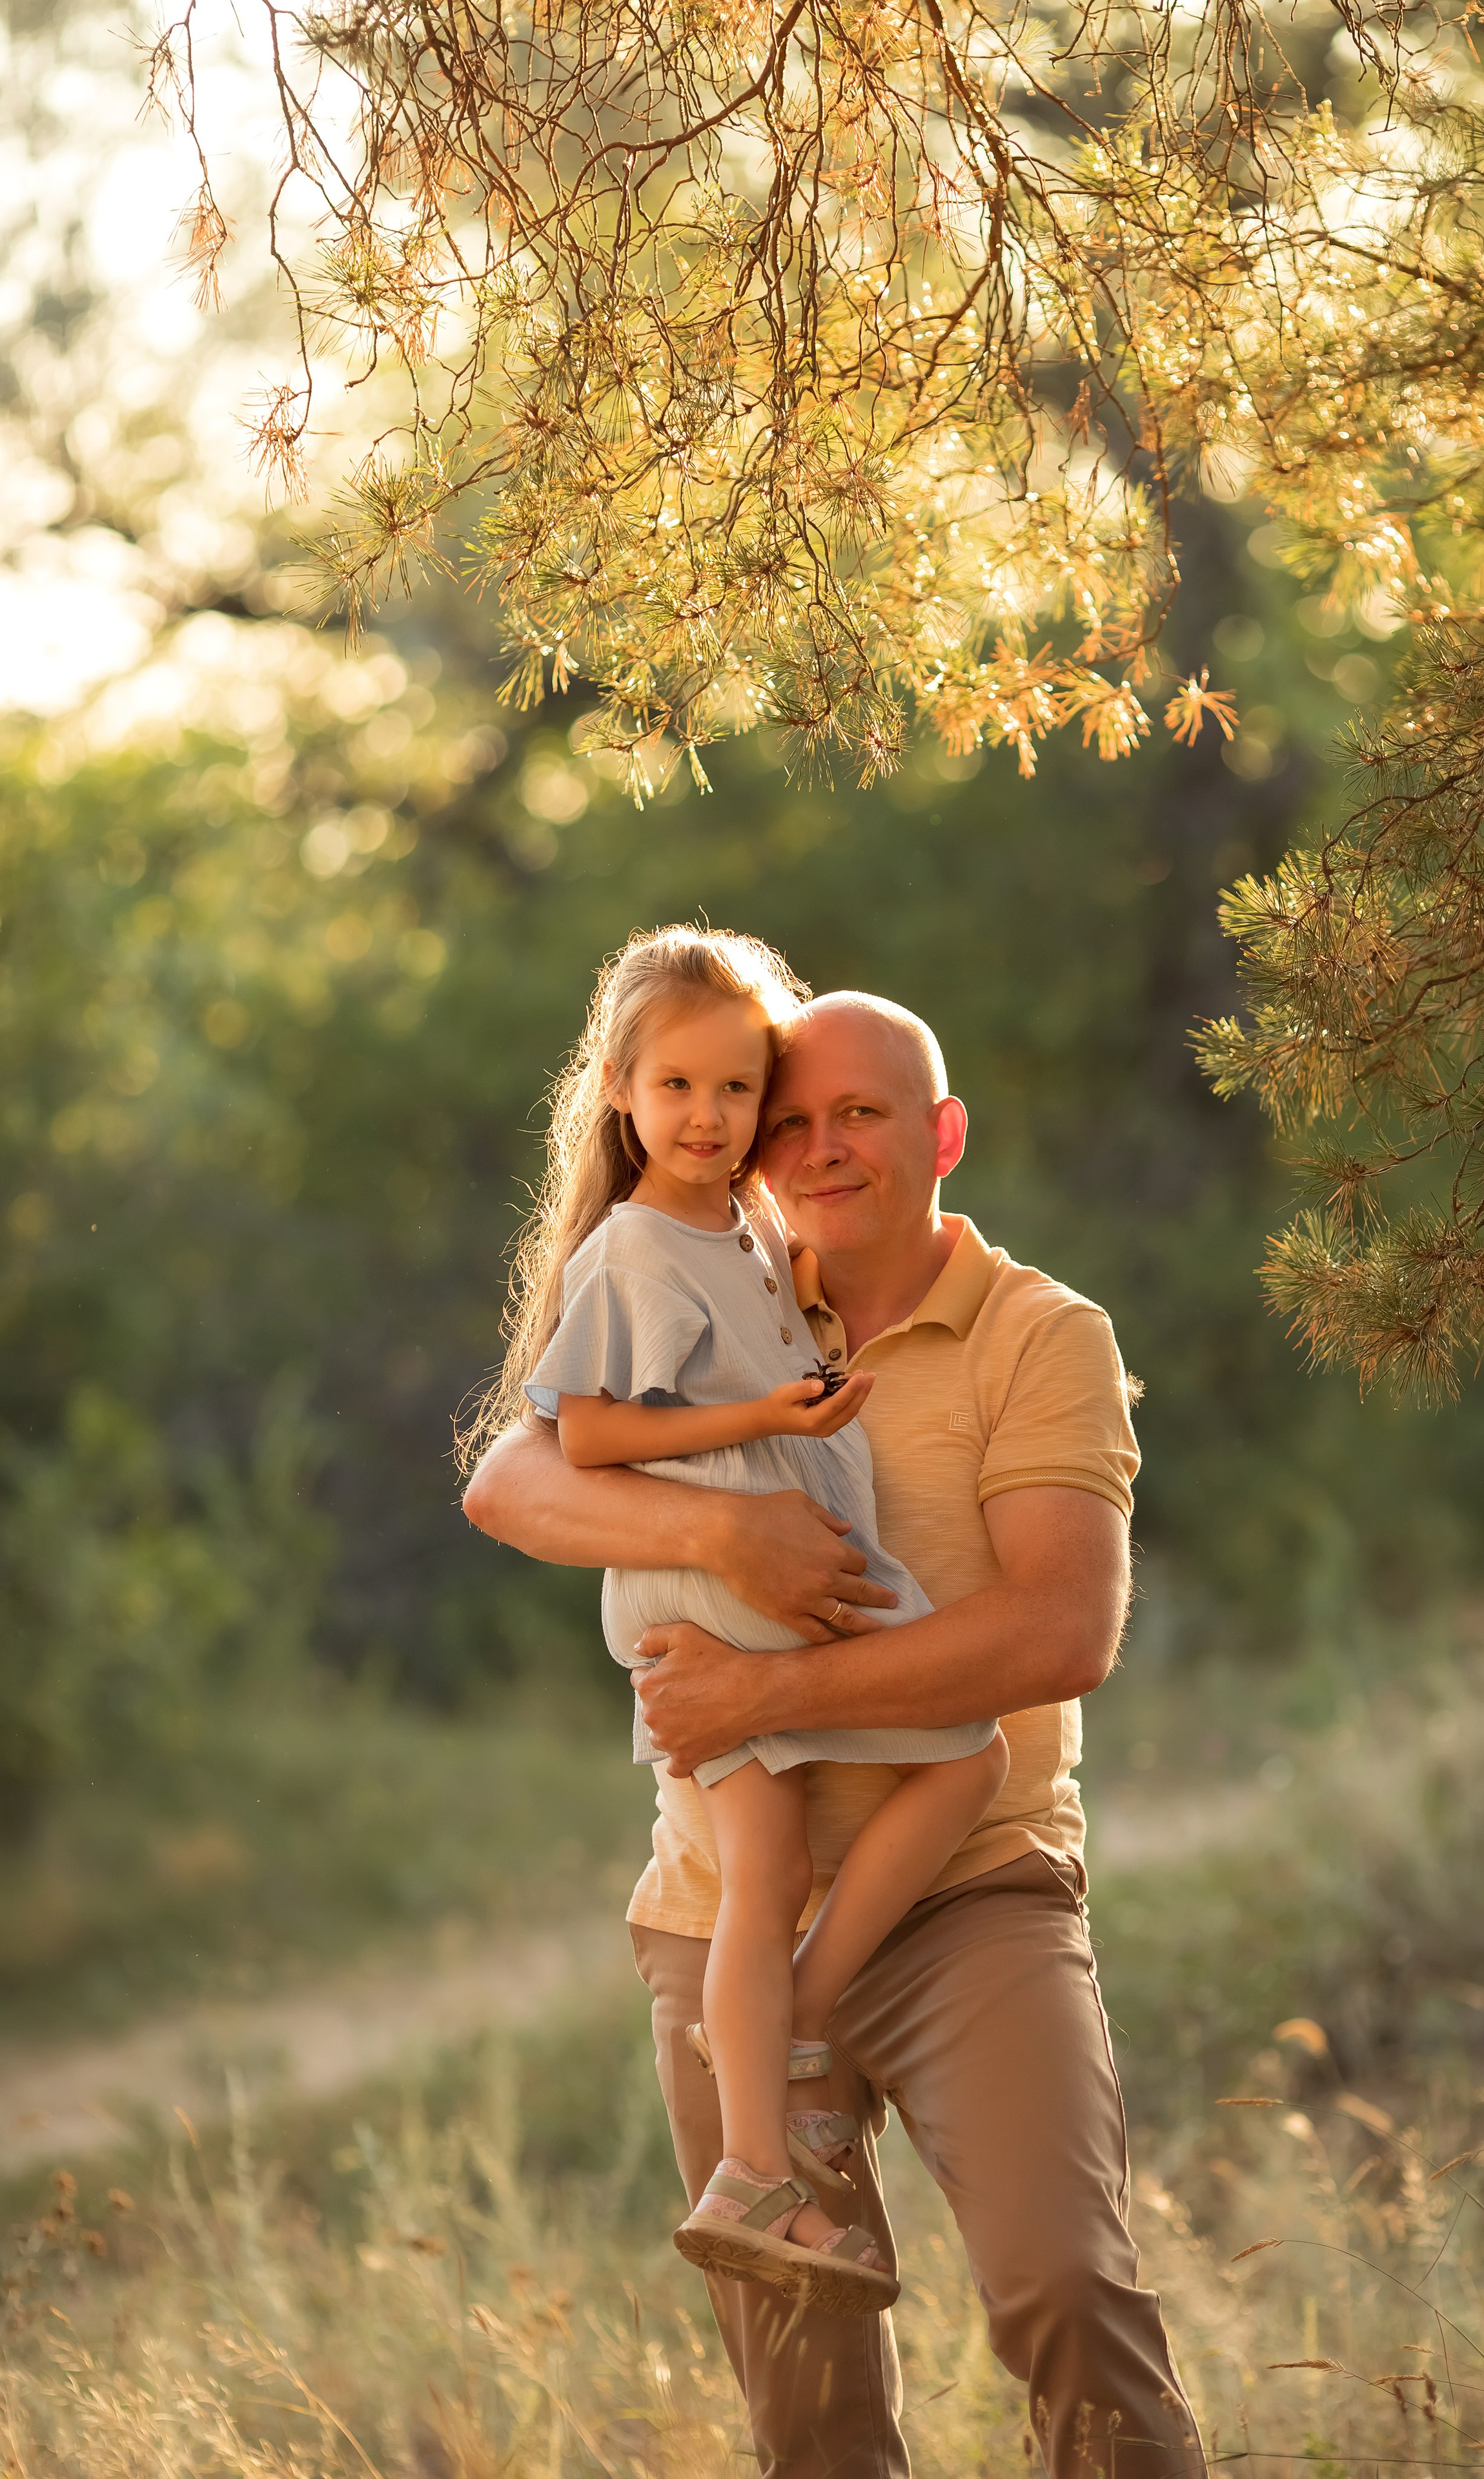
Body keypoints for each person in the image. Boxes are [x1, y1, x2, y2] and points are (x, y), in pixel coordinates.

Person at [463, 978, 1208, 2479]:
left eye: (857, 1114)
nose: (815, 1148)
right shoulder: (718, 1283)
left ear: (939, 1133)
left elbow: (1062, 1632)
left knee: (1068, 2295)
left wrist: (770, 1690)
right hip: (721, 1905)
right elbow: (510, 1484)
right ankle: (777, 2046)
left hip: (967, 1901)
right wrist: (725, 1542)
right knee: (808, 2412)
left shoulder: (1036, 1334)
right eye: (786, 1119)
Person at [469, 924, 1009, 2318]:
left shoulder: (750, 1229)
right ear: (617, 1092)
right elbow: (580, 1433)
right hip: (728, 1596)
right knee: (952, 1768)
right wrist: (769, 1420)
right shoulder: (638, 1251)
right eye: (677, 1090)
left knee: (777, 1879)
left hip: (772, 1569)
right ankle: (782, 2107)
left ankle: (759, 2155)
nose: (708, 1120)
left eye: (735, 1094)